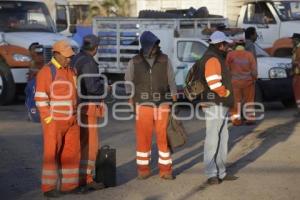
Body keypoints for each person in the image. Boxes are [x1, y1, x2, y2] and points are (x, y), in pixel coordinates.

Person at [125, 31, 177, 180]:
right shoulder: (134, 61)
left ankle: (166, 170)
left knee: (163, 137)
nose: (156, 47)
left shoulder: (165, 59)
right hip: (143, 104)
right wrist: (130, 97)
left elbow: (171, 79)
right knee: (143, 138)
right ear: (147, 46)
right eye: (153, 45)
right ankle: (143, 170)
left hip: (162, 103)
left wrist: (173, 96)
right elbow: (128, 80)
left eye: (157, 44)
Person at [35, 40, 80, 198]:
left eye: (70, 57)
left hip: (72, 120)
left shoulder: (71, 70)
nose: (69, 59)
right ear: (56, 54)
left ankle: (70, 185)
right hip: (54, 122)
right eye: (66, 56)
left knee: (71, 153)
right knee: (51, 154)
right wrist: (49, 120)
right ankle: (49, 188)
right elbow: (40, 99)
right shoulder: (46, 72)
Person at [196, 31, 238, 184]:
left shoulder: (215, 57)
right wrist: (225, 92)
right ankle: (211, 173)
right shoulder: (213, 59)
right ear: (220, 45)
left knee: (222, 137)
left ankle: (221, 172)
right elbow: (214, 83)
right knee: (213, 139)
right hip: (215, 103)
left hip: (219, 104)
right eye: (226, 44)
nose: (228, 47)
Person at [72, 34, 106, 191]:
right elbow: (92, 87)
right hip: (88, 107)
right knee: (91, 144)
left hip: (77, 106)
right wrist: (106, 88)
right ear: (95, 48)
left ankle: (78, 177)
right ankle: (87, 178)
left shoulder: (76, 58)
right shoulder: (89, 62)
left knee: (80, 142)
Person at [226, 42, 257, 125]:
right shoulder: (249, 55)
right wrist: (254, 79)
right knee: (249, 100)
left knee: (236, 101)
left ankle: (236, 120)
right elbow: (254, 70)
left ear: (235, 46)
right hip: (248, 82)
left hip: (235, 82)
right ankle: (250, 118)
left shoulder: (230, 55)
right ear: (244, 46)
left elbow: (227, 69)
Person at [291, 33, 300, 117]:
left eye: (293, 39)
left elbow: (297, 62)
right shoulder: (295, 49)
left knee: (298, 95)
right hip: (296, 74)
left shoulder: (298, 49)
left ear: (296, 40)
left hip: (298, 75)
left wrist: (295, 63)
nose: (291, 41)